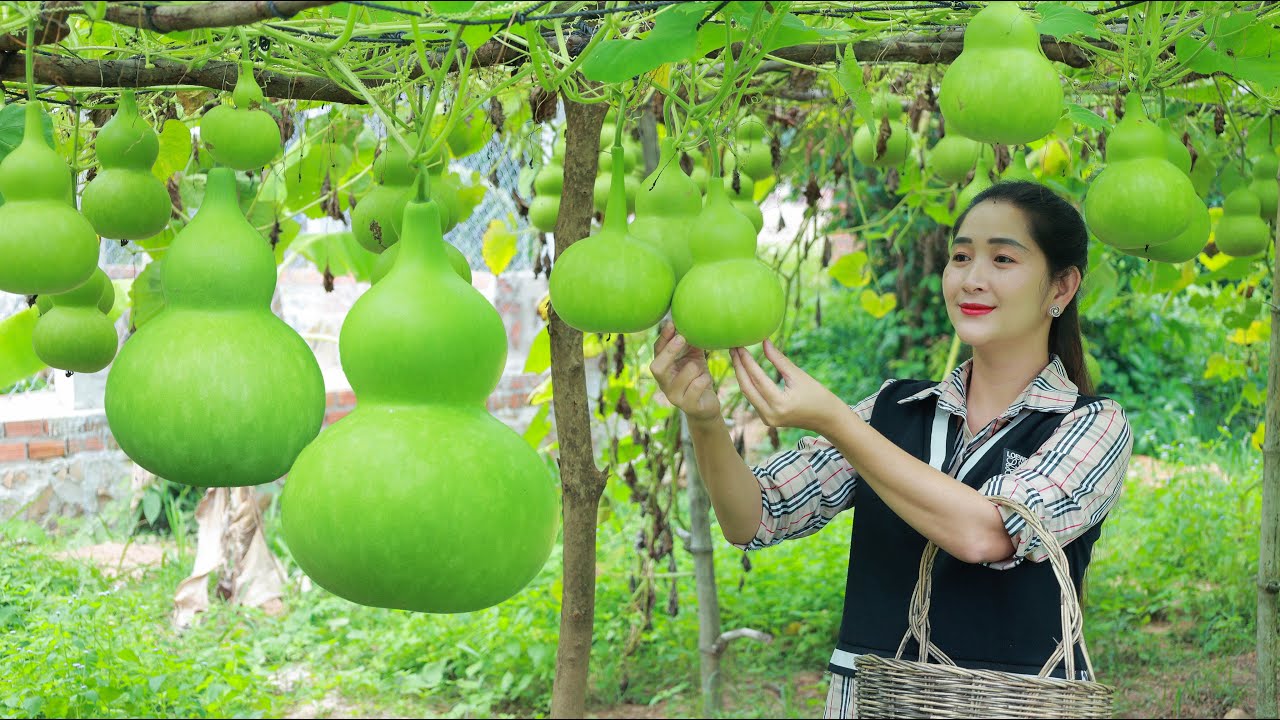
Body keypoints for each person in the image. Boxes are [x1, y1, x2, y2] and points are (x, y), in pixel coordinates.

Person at [650, 180, 1134, 719]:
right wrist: (706, 419)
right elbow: (756, 517)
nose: (972, 279)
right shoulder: (894, 409)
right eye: (960, 256)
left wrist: (836, 421)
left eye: (1002, 258)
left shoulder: (1092, 425)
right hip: (873, 704)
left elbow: (987, 532)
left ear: (1061, 288)